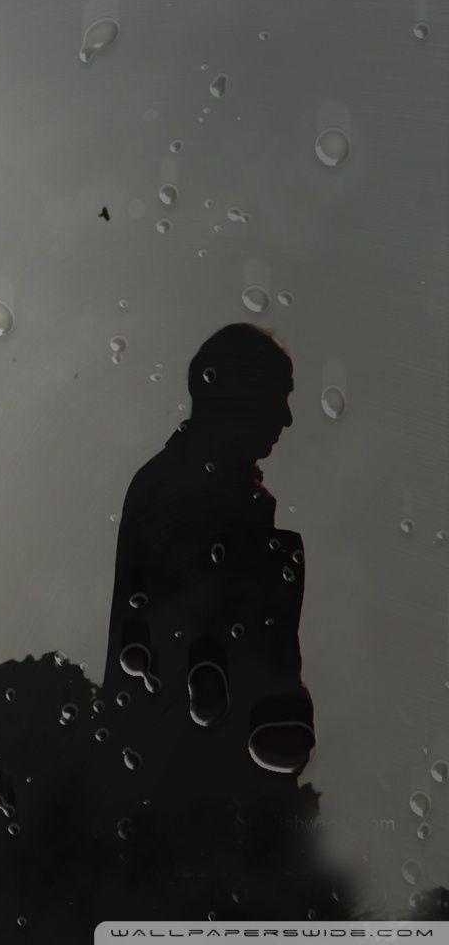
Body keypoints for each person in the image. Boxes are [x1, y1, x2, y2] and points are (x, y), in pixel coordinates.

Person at [103, 323, 315, 789]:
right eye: (278, 396)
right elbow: (185, 643)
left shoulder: (192, 488)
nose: (286, 418)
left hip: (201, 780)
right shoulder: (176, 490)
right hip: (183, 786)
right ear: (237, 395)